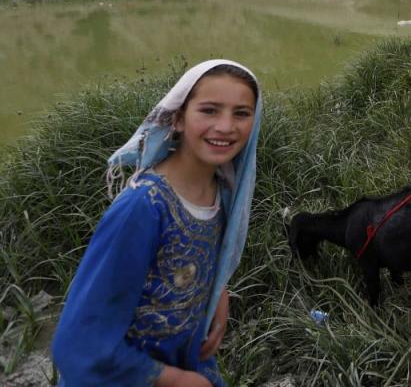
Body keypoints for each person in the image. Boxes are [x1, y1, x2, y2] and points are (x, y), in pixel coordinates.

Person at [52, 59, 262, 387]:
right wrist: (176, 380)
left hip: (185, 358)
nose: (225, 126)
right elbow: (79, 341)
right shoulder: (143, 207)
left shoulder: (219, 190)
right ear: (177, 118)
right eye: (209, 110)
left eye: (241, 113)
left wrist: (218, 288)